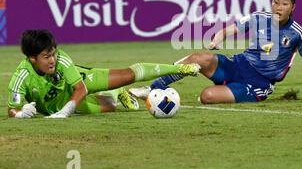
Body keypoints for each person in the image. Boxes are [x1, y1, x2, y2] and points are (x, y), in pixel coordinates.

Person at [129, 0, 302, 104]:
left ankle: (223, 92)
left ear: (293, 7)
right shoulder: (259, 18)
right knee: (198, 58)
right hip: (238, 64)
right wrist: (218, 38)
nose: (278, 7)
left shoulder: (297, 32)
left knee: (207, 97)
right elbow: (232, 28)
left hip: (258, 84)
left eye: (284, 4)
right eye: (276, 2)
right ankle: (152, 89)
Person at [7, 29, 200, 119]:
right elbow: (12, 108)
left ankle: (180, 68)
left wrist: (65, 112)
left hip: (81, 83)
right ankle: (118, 93)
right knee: (110, 106)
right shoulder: (21, 77)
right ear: (32, 58)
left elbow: (80, 88)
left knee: (128, 74)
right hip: (61, 105)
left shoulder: (61, 60)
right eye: (46, 56)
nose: (52, 60)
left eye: (53, 54)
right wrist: (20, 114)